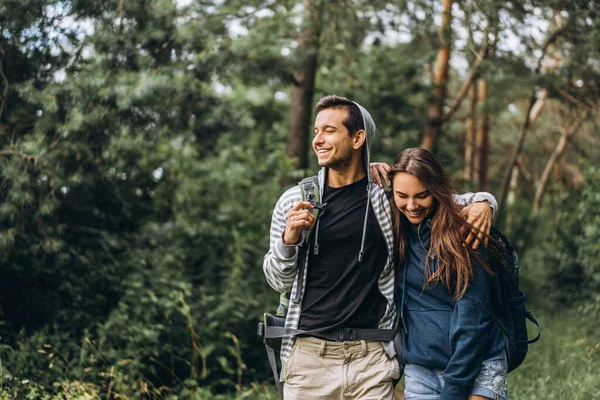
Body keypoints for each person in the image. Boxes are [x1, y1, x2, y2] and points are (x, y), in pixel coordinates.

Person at [263, 95, 497, 400]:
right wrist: (289, 240)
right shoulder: (294, 201)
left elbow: (440, 201)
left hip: (372, 357)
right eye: (316, 132)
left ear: (358, 138)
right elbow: (276, 280)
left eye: (329, 131)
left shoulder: (389, 200)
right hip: (309, 358)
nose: (318, 140)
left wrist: (485, 202)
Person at [389, 148, 507, 400]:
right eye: (402, 196)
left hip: (478, 363)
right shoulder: (396, 230)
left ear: (437, 190)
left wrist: (485, 201)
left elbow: (473, 319)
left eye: (422, 195)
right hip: (421, 369)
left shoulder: (465, 232)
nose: (411, 206)